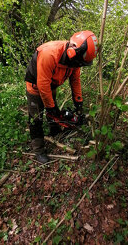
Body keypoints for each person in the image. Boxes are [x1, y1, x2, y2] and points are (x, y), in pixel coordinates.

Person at [25, 30, 98, 164]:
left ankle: (55, 130)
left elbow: (75, 81)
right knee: (36, 118)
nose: (79, 65)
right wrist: (51, 108)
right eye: (80, 62)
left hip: (51, 85)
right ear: (73, 50)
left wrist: (78, 101)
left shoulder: (76, 60)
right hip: (35, 86)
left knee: (54, 108)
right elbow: (42, 85)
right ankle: (39, 150)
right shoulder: (50, 54)